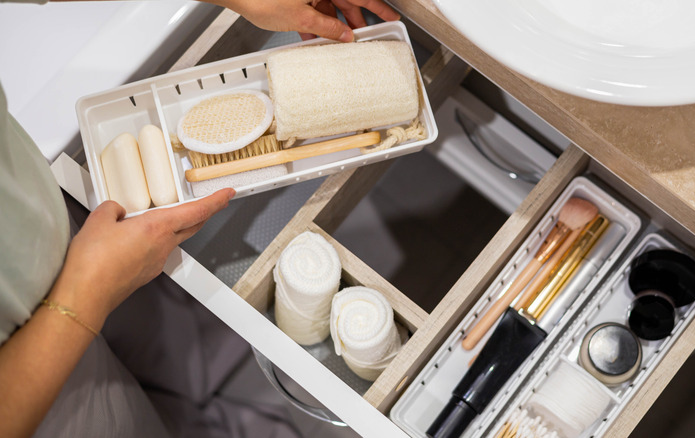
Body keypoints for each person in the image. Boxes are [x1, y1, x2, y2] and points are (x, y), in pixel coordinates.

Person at [0, 0, 400, 437]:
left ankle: (197, 396)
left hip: (58, 237)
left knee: (156, 338)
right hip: (37, 392)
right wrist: (88, 292)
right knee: (128, 419)